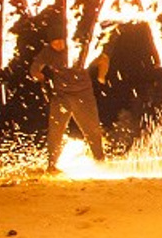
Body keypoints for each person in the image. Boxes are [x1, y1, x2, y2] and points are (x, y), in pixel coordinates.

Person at [28, 38, 109, 172]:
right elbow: (35, 66)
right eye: (54, 43)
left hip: (83, 95)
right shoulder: (48, 52)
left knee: (92, 130)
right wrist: (37, 74)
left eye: (60, 42)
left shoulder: (78, 48)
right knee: (55, 131)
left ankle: (100, 162)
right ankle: (52, 165)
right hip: (61, 96)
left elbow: (103, 59)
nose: (58, 45)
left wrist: (101, 77)